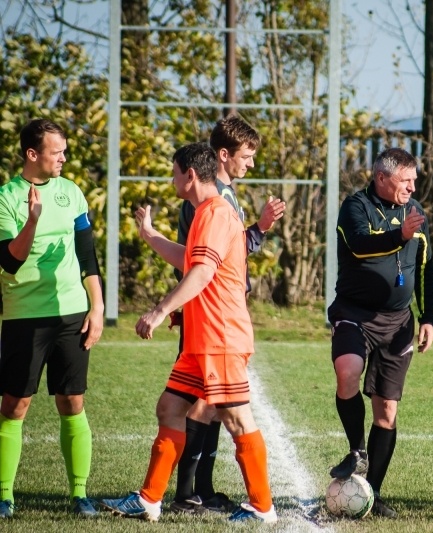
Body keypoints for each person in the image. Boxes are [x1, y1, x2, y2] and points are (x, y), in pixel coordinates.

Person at [101, 142, 276, 523]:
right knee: (170, 408)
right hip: (203, 340)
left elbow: (203, 272)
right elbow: (188, 260)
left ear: (190, 175)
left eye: (175, 171)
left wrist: (162, 309)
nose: (172, 179)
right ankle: (149, 499)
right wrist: (149, 236)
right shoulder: (204, 213)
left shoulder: (215, 213)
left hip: (221, 337)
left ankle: (263, 507)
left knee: (237, 420)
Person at [170, 115, 285, 515]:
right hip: (210, 320)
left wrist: (260, 228)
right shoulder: (206, 199)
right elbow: (195, 262)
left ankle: (196, 489)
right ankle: (192, 491)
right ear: (223, 154)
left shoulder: (224, 196)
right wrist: (174, 307)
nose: (250, 163)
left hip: (219, 316)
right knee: (205, 405)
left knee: (207, 405)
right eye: (247, 156)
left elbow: (228, 253)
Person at [0, 119, 104, 519]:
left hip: (71, 313)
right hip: (25, 316)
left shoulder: (72, 193)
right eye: (55, 151)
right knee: (15, 405)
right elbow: (10, 261)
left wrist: (96, 308)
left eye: (63, 150)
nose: (63, 157)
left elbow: (87, 256)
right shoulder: (7, 198)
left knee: (72, 401)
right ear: (32, 154)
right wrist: (32, 221)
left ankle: (80, 494)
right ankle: (5, 495)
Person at [328, 147, 433, 518]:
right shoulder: (355, 206)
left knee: (387, 411)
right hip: (354, 313)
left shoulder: (415, 211)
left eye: (414, 179)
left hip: (399, 321)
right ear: (382, 178)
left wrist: (429, 317)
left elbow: (425, 268)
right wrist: (397, 236)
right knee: (347, 372)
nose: (412, 186)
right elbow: (358, 246)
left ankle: (371, 493)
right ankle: (357, 450)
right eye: (406, 180)